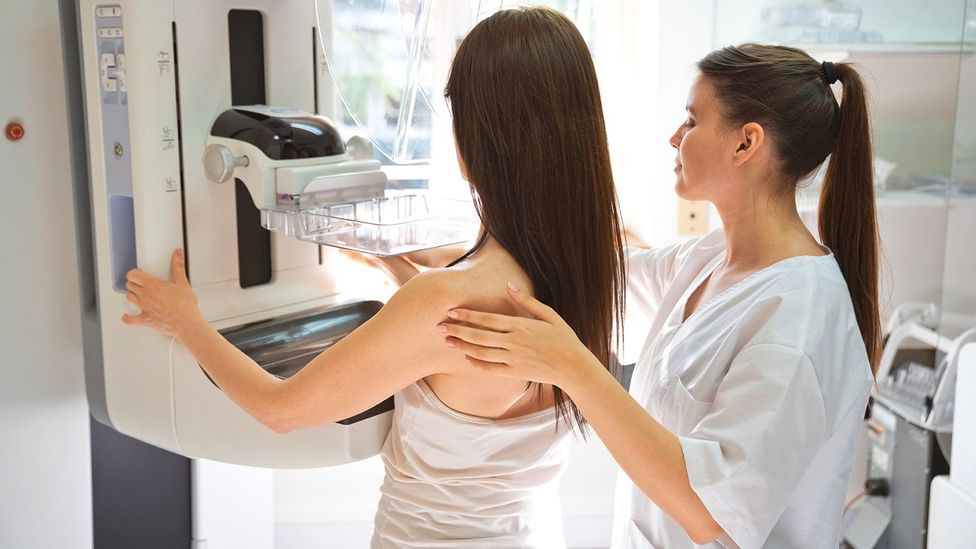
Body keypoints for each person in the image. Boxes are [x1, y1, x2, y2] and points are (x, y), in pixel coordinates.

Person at [121, 7, 624, 548]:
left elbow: (281, 409)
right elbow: (467, 335)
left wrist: (186, 320)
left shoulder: (443, 300)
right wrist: (389, 260)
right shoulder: (584, 271)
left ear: (475, 143)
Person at [441, 44, 879, 549]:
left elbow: (711, 513)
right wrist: (421, 257)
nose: (674, 137)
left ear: (746, 143)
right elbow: (600, 276)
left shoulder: (798, 320)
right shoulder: (710, 260)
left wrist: (573, 367)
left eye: (691, 121)